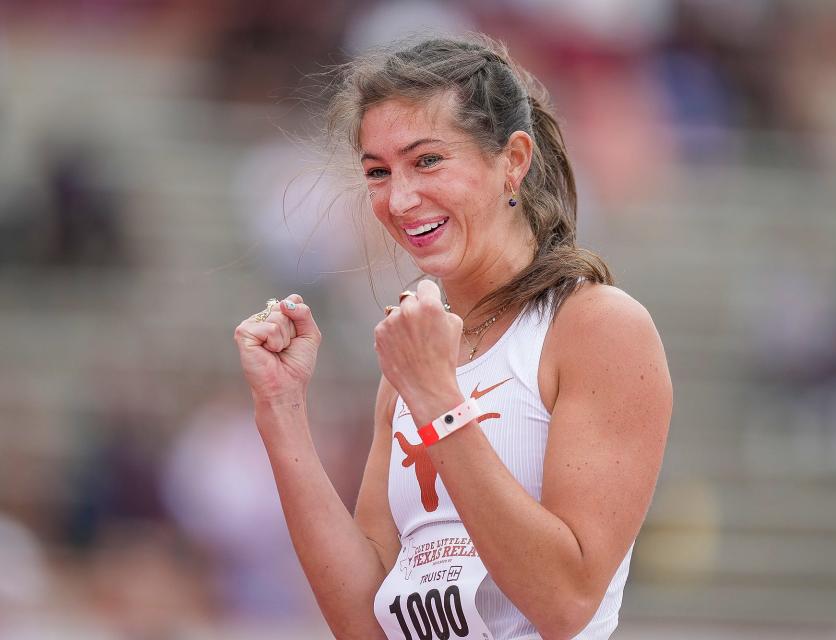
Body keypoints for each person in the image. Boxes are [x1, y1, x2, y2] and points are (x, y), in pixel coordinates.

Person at [234, 35, 672, 640]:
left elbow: (565, 602)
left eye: (428, 160)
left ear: (513, 160)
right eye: (378, 172)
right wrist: (281, 415)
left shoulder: (597, 327)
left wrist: (438, 399)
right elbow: (367, 621)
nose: (401, 198)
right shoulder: (415, 360)